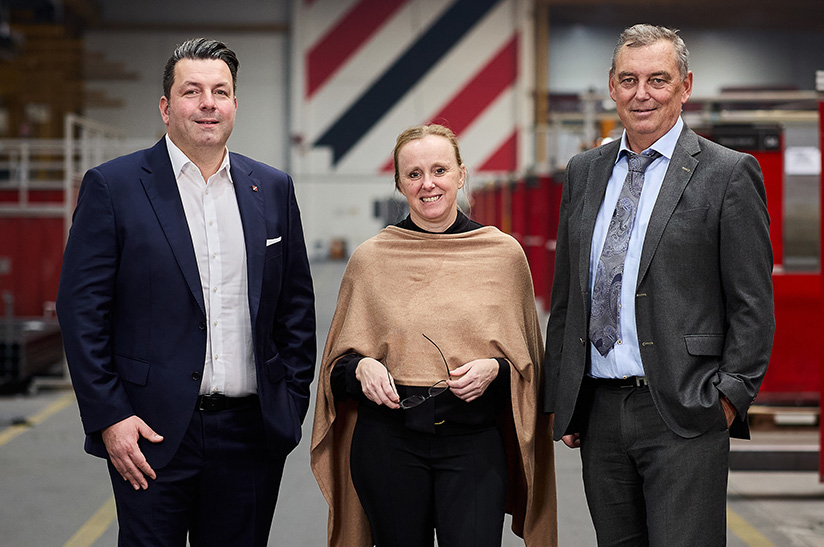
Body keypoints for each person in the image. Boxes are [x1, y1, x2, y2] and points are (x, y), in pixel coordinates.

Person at [56, 38, 316, 546]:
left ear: (235, 104)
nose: (207, 103)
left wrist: (289, 403)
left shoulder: (273, 188)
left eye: (221, 91)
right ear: (166, 106)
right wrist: (110, 416)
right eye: (192, 91)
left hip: (250, 436)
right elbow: (81, 310)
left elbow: (296, 308)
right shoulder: (115, 186)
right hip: (148, 435)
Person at [544, 24, 775, 546]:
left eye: (657, 79)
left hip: (684, 410)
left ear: (685, 86)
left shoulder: (727, 173)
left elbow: (752, 305)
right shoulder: (584, 171)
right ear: (611, 84)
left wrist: (728, 398)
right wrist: (564, 394)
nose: (641, 93)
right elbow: (568, 294)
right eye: (628, 79)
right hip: (600, 412)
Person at [311, 124, 556, 547]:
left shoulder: (502, 255)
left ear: (461, 175)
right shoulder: (372, 259)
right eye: (414, 174)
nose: (428, 184)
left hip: (474, 446)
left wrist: (495, 370)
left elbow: (529, 365)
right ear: (399, 184)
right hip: (389, 444)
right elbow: (336, 371)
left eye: (440, 170)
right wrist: (362, 368)